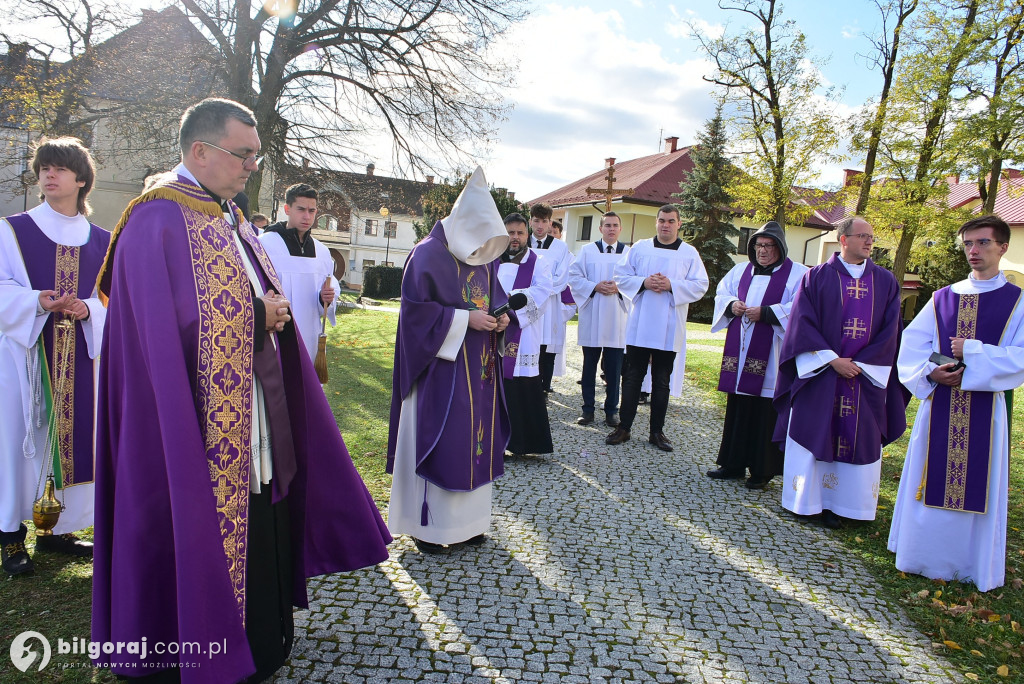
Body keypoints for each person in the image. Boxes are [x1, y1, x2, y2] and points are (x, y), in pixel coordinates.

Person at [92, 98, 391, 683]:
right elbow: (161, 324)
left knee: (260, 515)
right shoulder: (156, 218)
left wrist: (266, 312)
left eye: (257, 154)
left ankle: (259, 639)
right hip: (190, 423)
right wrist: (259, 314)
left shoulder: (230, 217)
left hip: (254, 411)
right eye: (243, 153)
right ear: (200, 150)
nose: (253, 165)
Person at [889, 215, 1024, 592]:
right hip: (940, 406)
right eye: (967, 244)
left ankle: (968, 563)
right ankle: (920, 555)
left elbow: (1021, 358)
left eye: (982, 243)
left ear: (1002, 247)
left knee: (977, 482)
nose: (974, 251)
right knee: (928, 476)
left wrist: (975, 353)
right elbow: (913, 346)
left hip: (985, 411)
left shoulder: (1018, 302)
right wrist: (930, 375)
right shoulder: (944, 297)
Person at [386, 167, 512, 553]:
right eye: (478, 237)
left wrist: (502, 317)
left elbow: (495, 298)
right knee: (444, 440)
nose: (481, 248)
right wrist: (464, 320)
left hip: (480, 370)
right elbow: (414, 316)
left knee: (474, 442)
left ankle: (471, 524)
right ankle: (430, 530)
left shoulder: (484, 256)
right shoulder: (427, 255)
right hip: (438, 371)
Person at [0, 137, 109, 576]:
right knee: (16, 442)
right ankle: (9, 537)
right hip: (24, 359)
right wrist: (35, 302)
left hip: (82, 358)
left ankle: (57, 531)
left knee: (75, 437)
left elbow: (116, 299)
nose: (49, 174)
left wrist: (90, 309)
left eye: (60, 168)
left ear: (81, 179)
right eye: (44, 167)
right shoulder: (12, 230)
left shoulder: (103, 240)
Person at [774, 216, 906, 528]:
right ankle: (807, 502)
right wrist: (833, 360)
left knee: (859, 435)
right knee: (814, 430)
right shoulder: (816, 277)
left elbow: (892, 332)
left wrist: (860, 364)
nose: (869, 242)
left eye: (872, 237)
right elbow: (801, 324)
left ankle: (849, 507)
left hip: (863, 377)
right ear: (843, 239)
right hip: (821, 374)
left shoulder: (886, 281)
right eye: (862, 236)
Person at [708, 221, 807, 489]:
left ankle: (762, 471)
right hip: (740, 354)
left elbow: (801, 307)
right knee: (738, 407)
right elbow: (722, 293)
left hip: (772, 356)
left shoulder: (798, 274)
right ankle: (732, 463)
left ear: (781, 247)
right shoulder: (741, 270)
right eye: (759, 245)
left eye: (769, 245)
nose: (762, 251)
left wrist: (765, 313)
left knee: (764, 412)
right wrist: (732, 305)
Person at [606, 204, 709, 452]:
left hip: (669, 326)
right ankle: (624, 426)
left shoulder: (689, 253)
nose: (666, 225)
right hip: (640, 325)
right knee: (631, 378)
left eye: (671, 221)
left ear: (679, 224)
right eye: (662, 220)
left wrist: (672, 285)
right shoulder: (640, 248)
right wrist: (644, 281)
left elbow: (701, 284)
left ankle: (656, 432)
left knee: (661, 381)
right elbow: (620, 275)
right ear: (656, 222)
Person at [260, 184, 339, 363]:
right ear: (287, 209)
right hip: (276, 333)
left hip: (310, 335)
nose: (307, 216)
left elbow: (329, 291)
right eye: (301, 209)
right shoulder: (265, 245)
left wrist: (323, 297)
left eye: (312, 211)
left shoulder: (322, 252)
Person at [498, 212, 555, 457]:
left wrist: (509, 307)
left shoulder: (538, 262)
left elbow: (543, 292)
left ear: (527, 234)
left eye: (520, 233)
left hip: (524, 334)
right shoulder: (491, 258)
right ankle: (495, 443)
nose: (515, 237)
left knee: (521, 385)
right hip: (492, 331)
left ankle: (522, 444)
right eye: (510, 233)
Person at [568, 211, 630, 428]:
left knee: (614, 369)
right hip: (592, 314)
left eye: (615, 225)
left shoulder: (628, 253)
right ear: (600, 228)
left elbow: (635, 282)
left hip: (617, 317)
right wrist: (594, 286)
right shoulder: (587, 251)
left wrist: (619, 288)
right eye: (607, 225)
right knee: (589, 367)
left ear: (620, 229)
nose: (611, 229)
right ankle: (587, 410)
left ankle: (612, 410)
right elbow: (573, 277)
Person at [527, 203, 573, 393]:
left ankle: (544, 389)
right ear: (530, 221)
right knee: (528, 345)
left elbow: (562, 275)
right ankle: (527, 389)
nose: (539, 226)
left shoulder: (560, 248)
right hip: (526, 304)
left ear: (550, 223)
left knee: (546, 347)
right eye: (536, 221)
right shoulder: (523, 243)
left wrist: (540, 290)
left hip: (549, 304)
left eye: (544, 221)